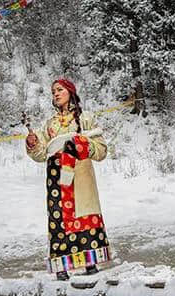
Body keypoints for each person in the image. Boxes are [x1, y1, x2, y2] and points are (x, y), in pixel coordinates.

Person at [25, 78, 112, 281]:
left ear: (70, 92)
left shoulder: (86, 119)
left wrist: (82, 144)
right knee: (59, 220)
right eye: (53, 91)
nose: (55, 94)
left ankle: (90, 262)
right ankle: (62, 265)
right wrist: (33, 143)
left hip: (80, 176)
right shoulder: (50, 124)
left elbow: (101, 151)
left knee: (84, 216)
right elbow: (40, 154)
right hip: (57, 177)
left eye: (59, 89)